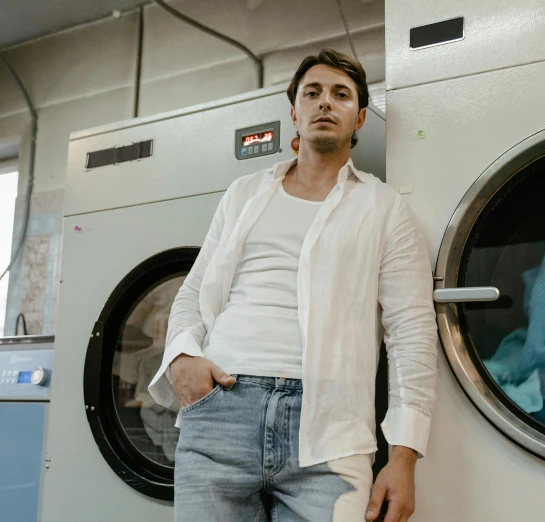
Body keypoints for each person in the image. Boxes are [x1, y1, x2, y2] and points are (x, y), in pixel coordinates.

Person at [148, 48, 438, 522]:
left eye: (341, 94)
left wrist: (404, 457)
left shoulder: (385, 208)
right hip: (222, 406)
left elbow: (411, 333)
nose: (326, 102)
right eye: (313, 93)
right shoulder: (243, 194)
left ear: (359, 117)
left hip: (331, 428)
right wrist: (182, 357)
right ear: (295, 114)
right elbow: (194, 292)